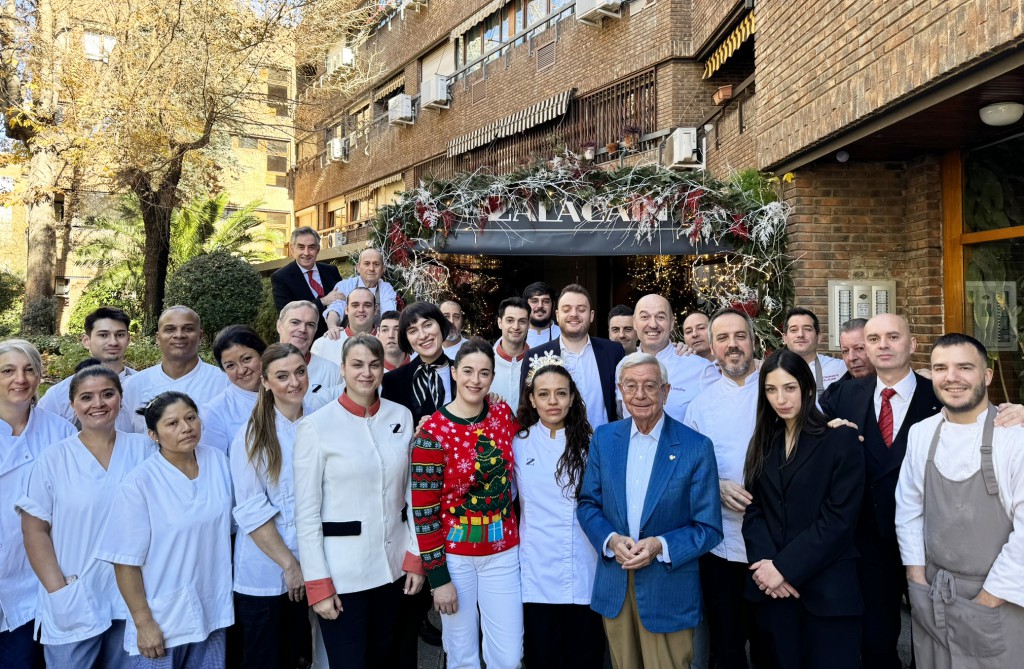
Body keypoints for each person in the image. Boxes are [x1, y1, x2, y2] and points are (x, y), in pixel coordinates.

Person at [821, 313, 1023, 668]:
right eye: (873, 339)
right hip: (873, 542)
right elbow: (810, 436)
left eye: (893, 337)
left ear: (911, 345)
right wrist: (830, 434)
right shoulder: (844, 395)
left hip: (954, 559)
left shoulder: (947, 394)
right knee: (889, 644)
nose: (882, 345)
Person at [577, 352, 722, 669]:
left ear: (666, 391)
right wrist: (612, 540)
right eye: (631, 386)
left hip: (667, 587)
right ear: (620, 390)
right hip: (616, 582)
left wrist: (660, 545)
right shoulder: (605, 438)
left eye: (649, 386)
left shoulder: (696, 447)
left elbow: (709, 528)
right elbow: (588, 503)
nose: (639, 395)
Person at [294, 334, 425, 668]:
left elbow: (413, 492)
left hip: (394, 568)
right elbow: (306, 513)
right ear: (342, 368)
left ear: (383, 369)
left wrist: (415, 554)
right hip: (342, 574)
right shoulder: (316, 427)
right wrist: (318, 584)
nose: (366, 372)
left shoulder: (401, 416)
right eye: (357, 364)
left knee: (387, 659)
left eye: (374, 364)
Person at [896, 333, 1024, 667]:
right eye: (941, 368)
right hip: (934, 592)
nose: (951, 377)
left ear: (987, 376)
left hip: (998, 598)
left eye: (964, 367)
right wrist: (916, 579)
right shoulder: (922, 432)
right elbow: (909, 509)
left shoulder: (1015, 438)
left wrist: (988, 599)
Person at [18, 366, 155, 668]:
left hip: (133, 597)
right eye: (87, 397)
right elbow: (34, 531)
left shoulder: (145, 449)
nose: (99, 404)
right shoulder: (54, 458)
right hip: (75, 592)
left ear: (121, 398)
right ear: (73, 406)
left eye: (108, 394)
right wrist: (59, 591)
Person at [742, 349, 865, 668]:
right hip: (773, 596)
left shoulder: (840, 439)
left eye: (789, 387)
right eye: (771, 389)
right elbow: (754, 512)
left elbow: (838, 521)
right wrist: (767, 568)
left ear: (808, 388)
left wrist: (784, 568)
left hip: (827, 596)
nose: (780, 398)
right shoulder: (763, 442)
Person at [96, 391, 233, 665]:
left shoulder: (217, 461)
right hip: (162, 617)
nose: (186, 428)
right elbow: (124, 561)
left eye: (191, 418)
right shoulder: (140, 483)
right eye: (172, 423)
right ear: (153, 435)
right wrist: (143, 622)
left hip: (213, 608)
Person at [411, 338, 523, 669]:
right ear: (455, 373)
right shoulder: (433, 433)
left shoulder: (502, 413)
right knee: (461, 654)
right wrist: (438, 579)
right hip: (456, 559)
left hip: (503, 553)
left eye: (484, 373)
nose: (476, 380)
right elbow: (424, 513)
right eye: (469, 371)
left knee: (509, 652)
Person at [683, 308, 765, 669]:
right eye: (723, 338)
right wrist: (714, 485)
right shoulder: (701, 405)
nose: (732, 346)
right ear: (712, 347)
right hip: (722, 546)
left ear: (752, 341)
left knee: (772, 645)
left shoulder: (779, 388)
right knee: (727, 646)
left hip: (774, 545)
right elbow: (688, 471)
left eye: (740, 337)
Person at [513, 354, 602, 669]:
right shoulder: (518, 444)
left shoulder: (592, 444)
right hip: (536, 569)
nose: (553, 401)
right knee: (543, 655)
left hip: (583, 565)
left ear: (573, 397)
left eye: (561, 393)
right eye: (544, 394)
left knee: (584, 655)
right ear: (532, 400)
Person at [230, 343, 315, 669]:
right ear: (265, 381)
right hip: (266, 575)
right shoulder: (252, 435)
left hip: (310, 566)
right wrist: (289, 566)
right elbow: (251, 510)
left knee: (299, 657)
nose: (294, 382)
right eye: (282, 376)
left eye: (299, 372)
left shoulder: (318, 419)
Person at [0, 340, 76, 666]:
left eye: (29, 369)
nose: (21, 378)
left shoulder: (59, 432)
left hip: (34, 577)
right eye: (8, 370)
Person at [520, 284, 625, 431]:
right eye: (567, 309)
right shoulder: (536, 356)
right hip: (556, 448)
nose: (574, 314)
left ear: (591, 315)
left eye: (581, 309)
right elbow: (527, 410)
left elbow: (624, 405)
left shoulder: (613, 352)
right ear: (557, 315)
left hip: (604, 446)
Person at [121, 306, 228, 433]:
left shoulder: (224, 382)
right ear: (158, 337)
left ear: (200, 336)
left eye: (188, 329)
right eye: (170, 329)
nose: (179, 335)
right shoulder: (132, 386)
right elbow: (124, 439)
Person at [622, 294, 713, 423]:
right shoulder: (622, 366)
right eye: (644, 317)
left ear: (671, 323)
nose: (653, 324)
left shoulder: (701, 369)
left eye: (660, 317)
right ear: (634, 323)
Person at [37, 307, 136, 425]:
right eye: (103, 335)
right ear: (86, 341)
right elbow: (40, 431)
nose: (113, 342)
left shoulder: (143, 384)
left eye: (120, 335)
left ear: (128, 339)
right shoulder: (59, 394)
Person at [381, 301, 457, 425]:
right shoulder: (393, 381)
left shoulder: (464, 372)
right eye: (413, 331)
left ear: (440, 325)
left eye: (427, 325)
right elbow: (388, 430)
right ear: (406, 338)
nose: (423, 335)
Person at [200, 325, 267, 455]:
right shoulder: (215, 411)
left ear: (262, 354)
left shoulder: (287, 390)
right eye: (231, 366)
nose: (241, 370)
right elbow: (215, 464)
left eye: (247, 359)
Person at [271, 227, 343, 338]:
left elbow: (342, 300)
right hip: (300, 341)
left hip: (333, 337)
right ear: (292, 249)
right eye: (301, 247)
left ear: (318, 249)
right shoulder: (281, 277)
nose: (306, 252)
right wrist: (323, 301)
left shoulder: (331, 271)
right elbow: (286, 313)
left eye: (311, 247)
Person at [276, 301, 343, 408]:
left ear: (315, 330)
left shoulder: (332, 372)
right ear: (279, 326)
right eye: (295, 322)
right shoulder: (261, 367)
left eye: (310, 325)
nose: (302, 329)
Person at [322, 247, 397, 330]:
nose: (371, 269)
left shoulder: (386, 288)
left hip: (375, 339)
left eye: (376, 264)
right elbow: (335, 309)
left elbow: (389, 314)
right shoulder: (345, 285)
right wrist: (332, 326)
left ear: (383, 269)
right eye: (367, 264)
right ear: (358, 267)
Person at [781, 307, 846, 399]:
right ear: (785, 338)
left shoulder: (840, 368)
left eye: (807, 329)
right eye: (794, 330)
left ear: (818, 337)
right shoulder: (774, 370)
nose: (800, 334)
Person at [311, 286, 377, 364]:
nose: (361, 310)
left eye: (367, 305)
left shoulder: (388, 343)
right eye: (355, 305)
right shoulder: (323, 344)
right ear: (346, 309)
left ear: (375, 310)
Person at [491, 297, 530, 411]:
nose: (516, 327)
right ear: (500, 323)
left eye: (522, 321)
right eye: (510, 320)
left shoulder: (538, 361)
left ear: (528, 325)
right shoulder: (486, 360)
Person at [523, 282, 561, 348]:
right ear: (525, 305)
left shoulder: (564, 335)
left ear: (553, 306)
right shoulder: (516, 336)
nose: (540, 306)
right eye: (534, 301)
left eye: (546, 301)